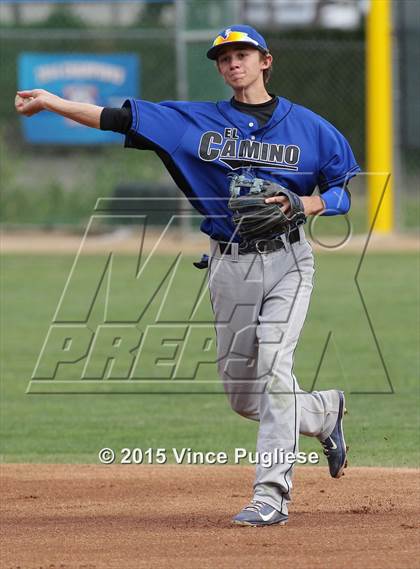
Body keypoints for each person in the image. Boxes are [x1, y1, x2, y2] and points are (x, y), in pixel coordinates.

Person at [16, 25, 359, 527]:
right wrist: (51, 101)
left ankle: (271, 494)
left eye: (242, 54)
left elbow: (343, 192)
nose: (232, 63)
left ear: (266, 60)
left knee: (275, 367)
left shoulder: (312, 128)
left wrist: (305, 203)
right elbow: (113, 117)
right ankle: (323, 413)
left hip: (289, 260)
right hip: (228, 264)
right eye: (223, 58)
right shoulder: (190, 123)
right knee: (245, 397)